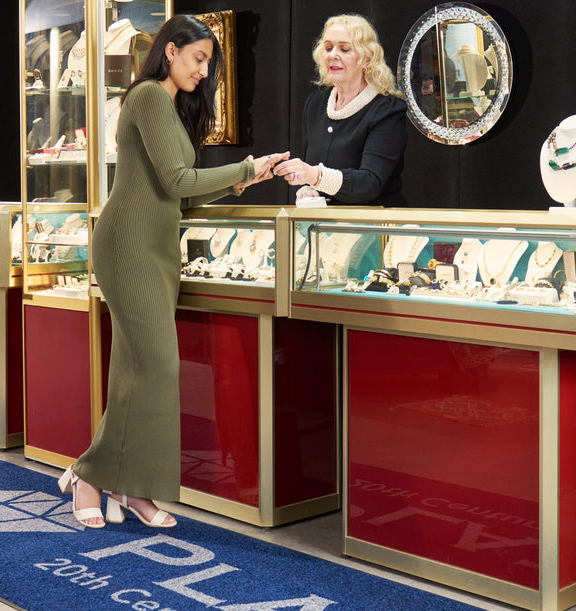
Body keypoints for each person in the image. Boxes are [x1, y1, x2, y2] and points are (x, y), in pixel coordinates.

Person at [58, 14, 287, 529]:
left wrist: (246, 179)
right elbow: (178, 179)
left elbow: (179, 190)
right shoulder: (145, 98)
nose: (204, 71)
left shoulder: (170, 108)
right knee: (155, 367)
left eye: (209, 63)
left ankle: (133, 487)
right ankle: (90, 473)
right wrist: (247, 168)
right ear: (171, 51)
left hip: (157, 250)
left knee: (138, 371)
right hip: (128, 247)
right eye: (199, 58)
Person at [273, 13, 407, 206]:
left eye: (344, 49)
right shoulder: (316, 103)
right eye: (328, 48)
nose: (332, 55)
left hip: (373, 227)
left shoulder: (387, 110)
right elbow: (308, 166)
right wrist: (305, 188)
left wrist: (315, 176)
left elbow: (369, 184)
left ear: (367, 59)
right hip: (322, 228)